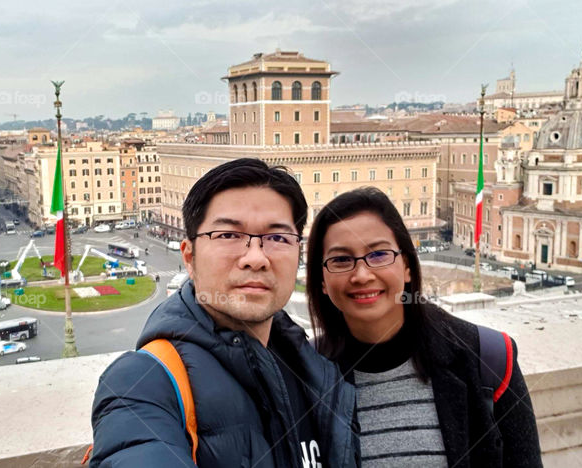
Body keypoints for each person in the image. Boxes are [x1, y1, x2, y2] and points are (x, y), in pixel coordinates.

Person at [89, 158, 359, 467]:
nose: (256, 258)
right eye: (229, 235)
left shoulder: (314, 369)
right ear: (189, 257)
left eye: (277, 238)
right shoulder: (141, 383)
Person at [306, 187, 542, 467]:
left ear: (406, 265)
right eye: (341, 260)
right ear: (321, 279)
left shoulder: (489, 358)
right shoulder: (303, 372)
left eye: (379, 254)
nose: (362, 274)